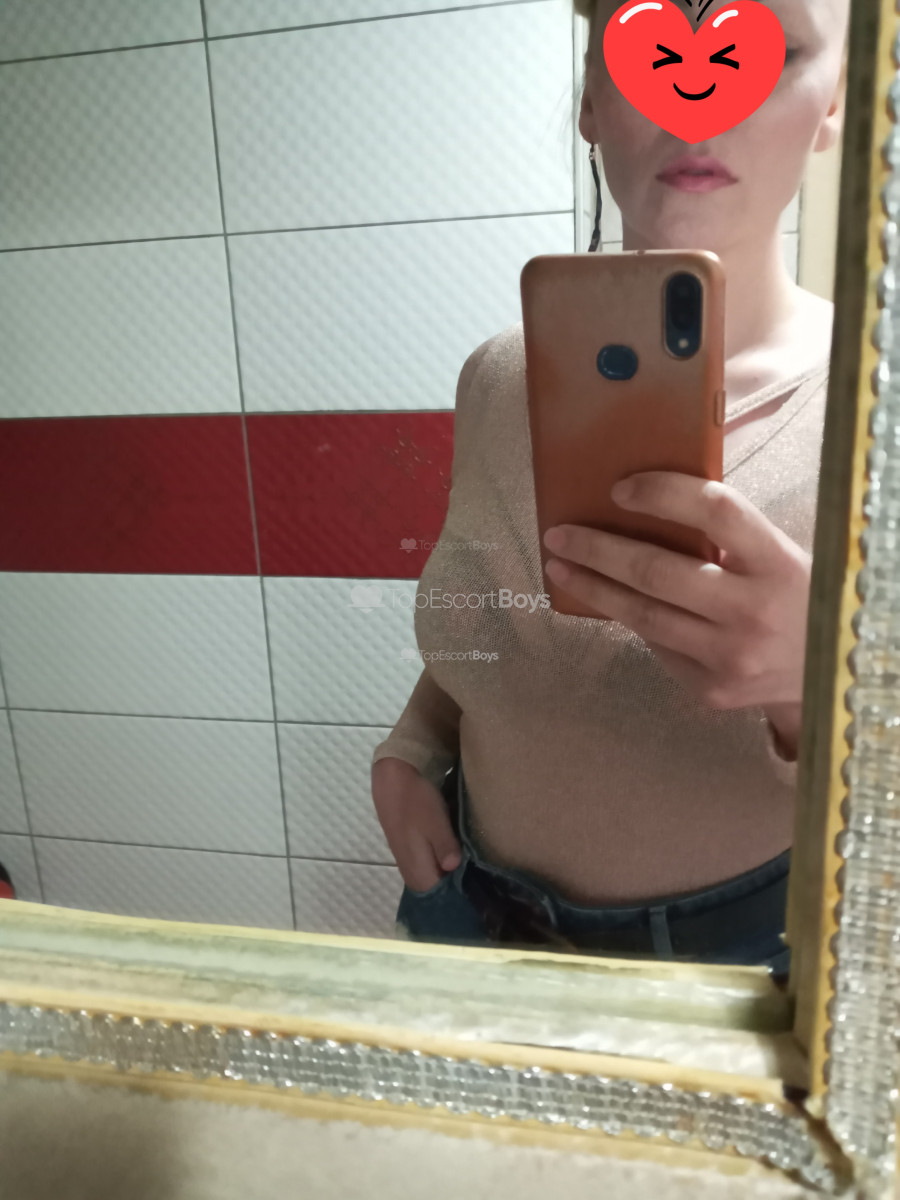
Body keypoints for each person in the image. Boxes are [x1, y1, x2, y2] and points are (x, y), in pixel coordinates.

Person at [371, 0, 849, 971]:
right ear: (592, 96)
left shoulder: (875, 407)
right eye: (652, 48)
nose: (698, 95)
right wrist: (411, 749)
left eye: (767, 49)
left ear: (835, 100)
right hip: (472, 905)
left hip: (744, 955)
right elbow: (500, 618)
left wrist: (822, 682)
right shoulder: (497, 377)